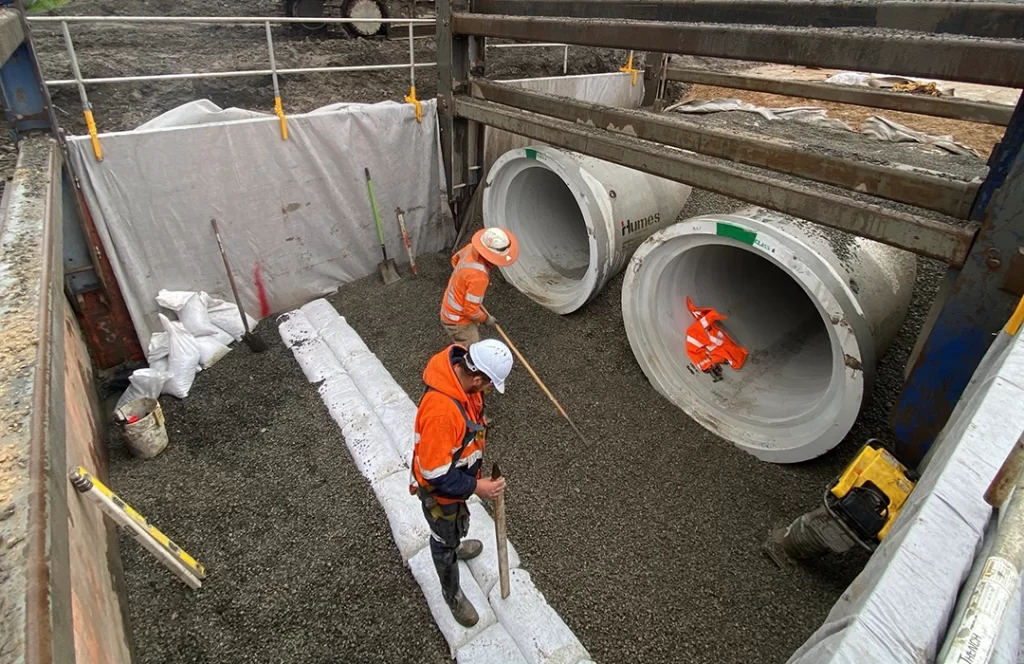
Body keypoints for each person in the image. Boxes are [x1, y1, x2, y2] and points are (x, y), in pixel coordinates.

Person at [409, 339, 514, 627]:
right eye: (489, 385)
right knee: (443, 538)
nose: (488, 391)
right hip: (440, 493)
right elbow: (434, 473)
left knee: (456, 526)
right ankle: (451, 592)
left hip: (456, 481)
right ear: (477, 377)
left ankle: (455, 545)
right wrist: (476, 487)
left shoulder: (463, 382)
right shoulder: (442, 412)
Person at [440, 228, 520, 346]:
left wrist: (463, 281)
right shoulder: (479, 277)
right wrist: (486, 319)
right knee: (471, 348)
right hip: (457, 320)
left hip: (449, 307)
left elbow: (454, 260)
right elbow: (470, 311)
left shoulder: (470, 248)